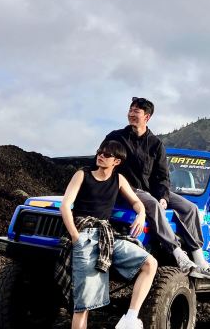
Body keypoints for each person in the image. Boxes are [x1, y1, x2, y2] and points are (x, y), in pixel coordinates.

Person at [104, 97, 210, 280]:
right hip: (123, 188)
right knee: (152, 204)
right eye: (130, 110)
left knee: (189, 208)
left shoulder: (155, 144)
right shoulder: (116, 137)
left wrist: (164, 197)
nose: (131, 114)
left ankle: (200, 260)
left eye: (136, 111)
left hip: (149, 190)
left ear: (147, 117)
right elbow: (101, 160)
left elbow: (162, 176)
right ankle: (178, 253)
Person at [59, 139, 157, 329]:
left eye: (106, 154)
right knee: (83, 305)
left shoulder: (118, 179)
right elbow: (65, 205)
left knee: (150, 263)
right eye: (100, 152)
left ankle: (130, 319)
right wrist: (75, 236)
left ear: (117, 162)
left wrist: (141, 214)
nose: (101, 156)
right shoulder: (82, 174)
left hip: (106, 236)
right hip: (84, 235)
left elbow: (137, 202)